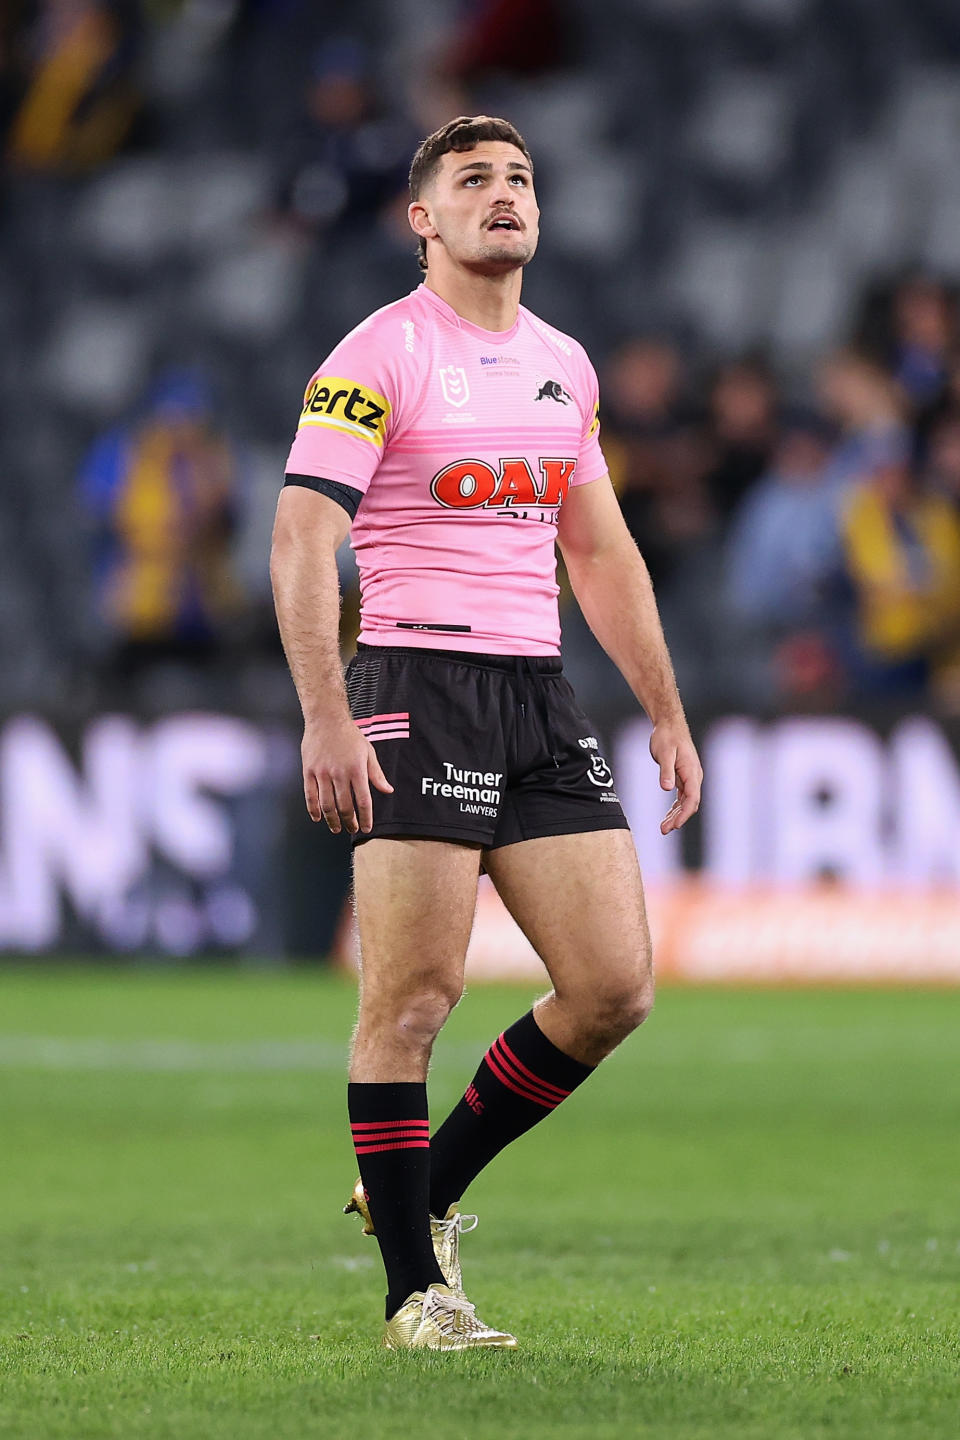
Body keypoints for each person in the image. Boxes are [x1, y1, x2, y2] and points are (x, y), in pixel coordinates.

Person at [270, 115, 702, 1351]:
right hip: (416, 679)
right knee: (413, 997)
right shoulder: (378, 355)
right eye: (473, 179)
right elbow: (304, 534)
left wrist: (666, 712)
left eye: (519, 178)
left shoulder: (566, 363)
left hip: (538, 692)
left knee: (614, 988)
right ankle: (416, 1293)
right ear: (424, 218)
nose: (503, 194)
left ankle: (429, 1186)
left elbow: (599, 548)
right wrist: (325, 711)